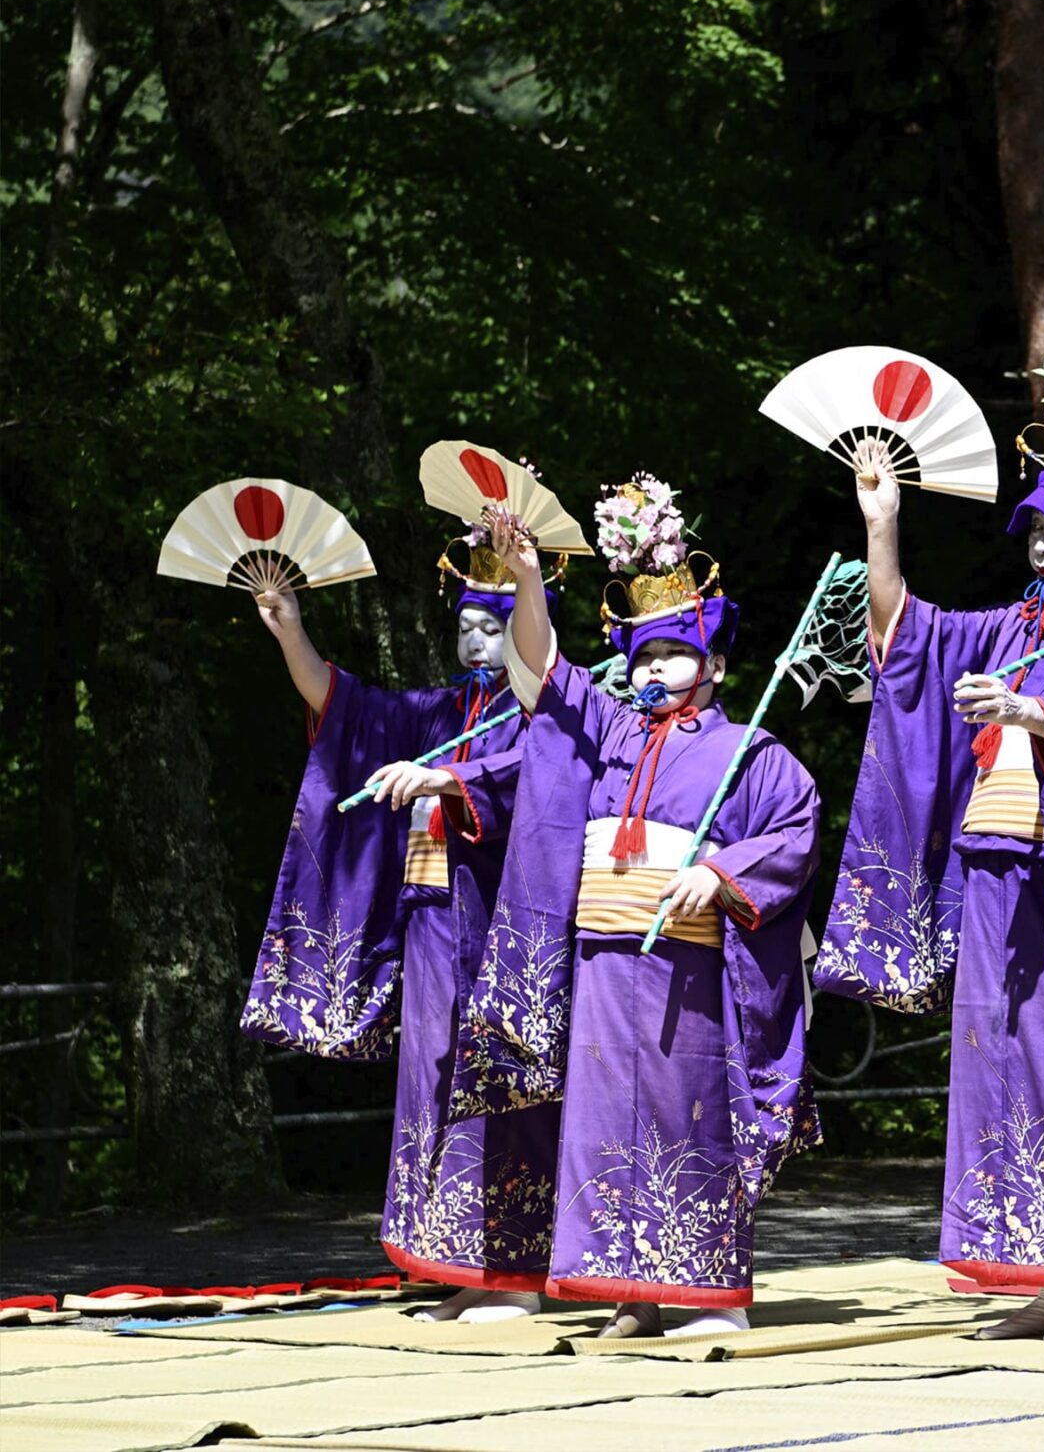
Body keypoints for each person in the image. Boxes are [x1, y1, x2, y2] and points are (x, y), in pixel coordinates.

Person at [819, 384, 1044, 1344]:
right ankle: (1039, 1274)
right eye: (1032, 529)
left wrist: (1035, 715)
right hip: (993, 878)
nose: (1041, 545)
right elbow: (908, 636)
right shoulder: (1014, 625)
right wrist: (882, 525)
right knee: (995, 1064)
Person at [475, 483, 821, 1338]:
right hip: (603, 958)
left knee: (687, 1110)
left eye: (672, 653)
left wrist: (724, 872)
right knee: (599, 1124)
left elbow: (798, 826)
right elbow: (542, 668)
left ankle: (709, 1291)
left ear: (714, 663)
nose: (652, 669)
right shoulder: (609, 728)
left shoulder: (753, 751)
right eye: (640, 655)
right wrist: (526, 579)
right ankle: (630, 1292)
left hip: (686, 965)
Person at [244, 539, 552, 1322]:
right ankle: (457, 1265)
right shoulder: (441, 711)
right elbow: (343, 707)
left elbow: (536, 782)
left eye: (495, 623)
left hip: (501, 930)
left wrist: (450, 778)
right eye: (468, 623)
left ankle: (514, 1269)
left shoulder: (545, 713)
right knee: (432, 1084)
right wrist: (290, 632)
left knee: (495, 1076)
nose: (476, 638)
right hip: (430, 925)